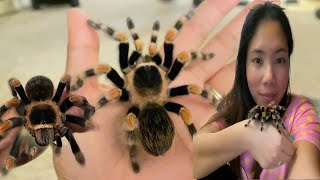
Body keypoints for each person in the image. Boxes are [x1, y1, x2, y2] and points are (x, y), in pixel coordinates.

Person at [193, 1, 320, 180]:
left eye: (279, 60)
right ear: (243, 64)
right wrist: (247, 134)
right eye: (258, 60)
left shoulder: (300, 113)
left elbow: (306, 168)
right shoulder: (235, 107)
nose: (269, 77)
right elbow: (198, 153)